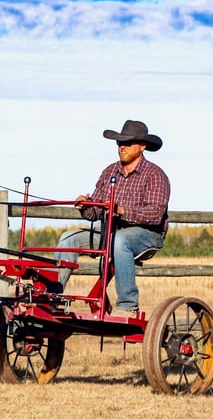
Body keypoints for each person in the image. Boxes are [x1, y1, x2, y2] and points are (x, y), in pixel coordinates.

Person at [54, 120, 170, 316]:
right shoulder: (109, 171)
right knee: (68, 238)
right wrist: (86, 206)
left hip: (147, 235)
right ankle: (52, 296)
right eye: (119, 143)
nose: (121, 147)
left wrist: (121, 210)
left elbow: (154, 215)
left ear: (142, 147)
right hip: (110, 230)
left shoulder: (155, 176)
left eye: (128, 143)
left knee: (120, 240)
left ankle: (127, 306)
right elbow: (96, 213)